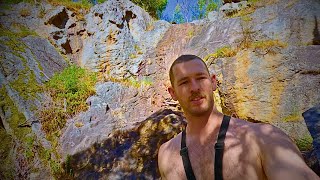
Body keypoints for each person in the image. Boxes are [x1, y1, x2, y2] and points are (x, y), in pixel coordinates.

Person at [158, 55, 319, 180]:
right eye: (184, 82)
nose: (194, 87)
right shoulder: (166, 155)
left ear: (213, 82)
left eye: (200, 78)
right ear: (173, 93)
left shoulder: (262, 138)